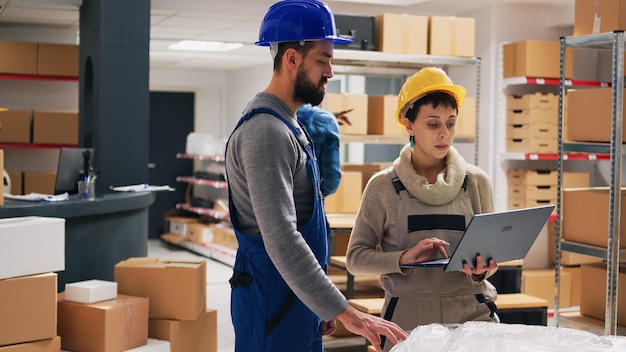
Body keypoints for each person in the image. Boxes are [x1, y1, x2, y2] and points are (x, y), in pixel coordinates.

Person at [224, 1, 408, 351]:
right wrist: (348, 312)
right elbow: (281, 238)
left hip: (294, 300)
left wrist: (318, 302)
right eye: (323, 59)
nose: (330, 72)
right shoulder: (266, 132)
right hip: (271, 305)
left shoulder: (289, 124)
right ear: (292, 59)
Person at [345, 67, 499, 351]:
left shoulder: (476, 182)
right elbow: (355, 258)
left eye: (450, 123)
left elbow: (487, 259)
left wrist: (480, 271)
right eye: (433, 124)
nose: (444, 133)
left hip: (472, 314)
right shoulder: (383, 186)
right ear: (409, 124)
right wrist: (402, 259)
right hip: (407, 321)